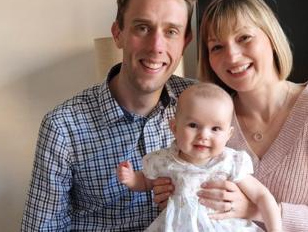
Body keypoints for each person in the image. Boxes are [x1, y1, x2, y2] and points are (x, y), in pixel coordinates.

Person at [155, 0, 308, 231]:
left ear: (271, 38)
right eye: (217, 47)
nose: (232, 55)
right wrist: (173, 194)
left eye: (244, 38)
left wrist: (255, 209)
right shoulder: (207, 122)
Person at [21, 0, 196, 231]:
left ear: (185, 42)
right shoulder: (63, 127)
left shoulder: (202, 104)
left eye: (171, 31)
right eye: (142, 28)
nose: (156, 46)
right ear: (118, 34)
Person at [117, 83, 282, 232]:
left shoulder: (229, 162)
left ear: (229, 134)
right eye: (193, 125)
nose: (203, 135)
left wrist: (275, 229)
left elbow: (262, 196)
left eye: (215, 128)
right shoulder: (164, 160)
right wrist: (131, 179)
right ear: (174, 127)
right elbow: (146, 182)